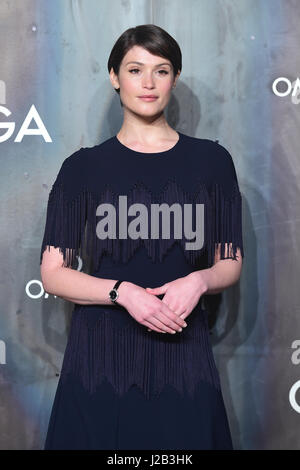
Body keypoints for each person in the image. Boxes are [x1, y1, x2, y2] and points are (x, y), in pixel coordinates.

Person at [40, 24, 244, 450]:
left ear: (176, 77)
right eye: (135, 70)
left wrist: (199, 280)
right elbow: (55, 274)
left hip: (181, 348)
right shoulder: (83, 168)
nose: (148, 83)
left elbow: (230, 260)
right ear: (115, 76)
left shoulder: (212, 161)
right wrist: (124, 292)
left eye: (161, 70)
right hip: (100, 360)